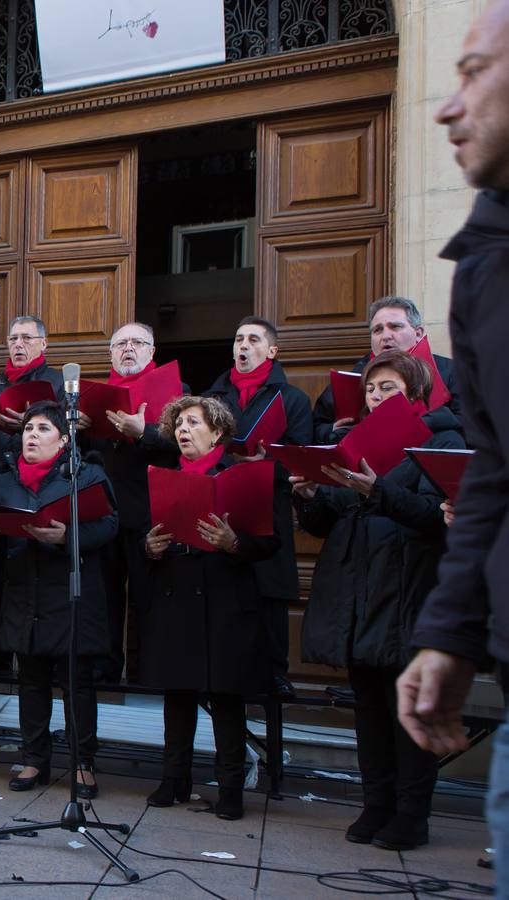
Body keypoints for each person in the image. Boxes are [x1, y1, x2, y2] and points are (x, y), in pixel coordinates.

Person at [396, 2, 509, 881]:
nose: (444, 105)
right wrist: (452, 635)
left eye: (471, 72)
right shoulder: (481, 266)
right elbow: (496, 473)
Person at [293, 352, 461, 850]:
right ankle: (376, 806)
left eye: (388, 388)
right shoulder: (352, 444)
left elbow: (438, 517)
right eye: (371, 390)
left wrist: (380, 490)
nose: (376, 397)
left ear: (414, 392)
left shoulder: (442, 440)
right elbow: (327, 523)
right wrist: (308, 496)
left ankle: (411, 816)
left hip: (408, 589)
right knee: (367, 708)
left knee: (407, 710)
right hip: (357, 591)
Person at [140, 396, 283, 821]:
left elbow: (271, 542)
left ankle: (231, 788)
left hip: (226, 600)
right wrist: (148, 548)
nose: (183, 430)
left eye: (193, 423)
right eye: (179, 424)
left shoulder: (240, 476)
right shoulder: (164, 478)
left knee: (225, 700)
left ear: (217, 432)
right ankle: (174, 779)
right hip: (176, 596)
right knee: (177, 695)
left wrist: (233, 543)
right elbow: (145, 537)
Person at [0, 402, 116, 797]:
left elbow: (109, 524)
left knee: (76, 683)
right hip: (25, 591)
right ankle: (33, 757)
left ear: (65, 438)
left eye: (42, 429)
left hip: (69, 592)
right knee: (31, 680)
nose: (32, 436)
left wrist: (66, 538)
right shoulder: (5, 480)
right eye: (27, 429)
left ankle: (82, 762)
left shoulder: (85, 474)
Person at [202, 316, 313, 696]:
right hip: (223, 508)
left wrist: (268, 464)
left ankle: (273, 689)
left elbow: (300, 455)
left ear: (272, 350)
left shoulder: (293, 399)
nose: (243, 346)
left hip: (268, 511)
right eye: (238, 339)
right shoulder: (212, 399)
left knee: (268, 606)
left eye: (252, 339)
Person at [80, 322, 187, 684]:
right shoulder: (93, 394)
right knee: (103, 599)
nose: (128, 349)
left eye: (137, 342)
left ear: (152, 351)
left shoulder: (177, 393)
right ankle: (105, 674)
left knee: (149, 599)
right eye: (120, 344)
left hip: (150, 513)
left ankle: (148, 677)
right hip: (104, 512)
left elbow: (185, 447)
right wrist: (78, 430)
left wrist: (144, 433)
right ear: (110, 353)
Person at [0, 315, 65, 672]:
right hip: (0, 485)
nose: (18, 345)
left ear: (44, 343)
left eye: (26, 338)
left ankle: (44, 654)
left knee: (37, 569)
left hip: (43, 488)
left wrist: (25, 424)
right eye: (13, 339)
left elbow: (66, 435)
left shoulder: (55, 382)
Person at [311, 296, 460, 442]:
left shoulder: (453, 372)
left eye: (395, 327)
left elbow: (473, 425)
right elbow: (315, 428)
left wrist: (423, 423)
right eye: (377, 330)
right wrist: (334, 431)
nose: (385, 336)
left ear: (418, 334)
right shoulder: (352, 377)